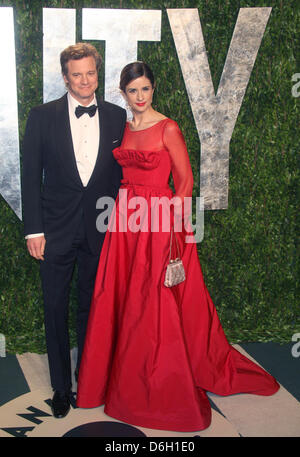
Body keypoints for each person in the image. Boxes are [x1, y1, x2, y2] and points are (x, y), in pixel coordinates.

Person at [76, 62, 279, 432]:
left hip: (158, 225)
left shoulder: (169, 127)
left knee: (153, 305)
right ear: (123, 93)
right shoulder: (122, 128)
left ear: (154, 90)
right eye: (133, 91)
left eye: (146, 90)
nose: (140, 98)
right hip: (125, 223)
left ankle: (154, 388)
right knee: (121, 298)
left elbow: (184, 184)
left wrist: (171, 232)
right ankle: (120, 379)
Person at [21, 43, 126, 419]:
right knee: (54, 308)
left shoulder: (117, 116)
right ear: (65, 77)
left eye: (90, 73)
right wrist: (33, 230)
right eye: (76, 74)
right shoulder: (41, 116)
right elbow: (30, 176)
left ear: (98, 75)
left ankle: (89, 379)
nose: (84, 81)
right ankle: (61, 388)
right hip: (54, 230)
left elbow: (121, 178)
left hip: (101, 230)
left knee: (92, 308)